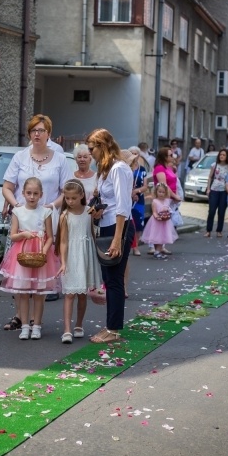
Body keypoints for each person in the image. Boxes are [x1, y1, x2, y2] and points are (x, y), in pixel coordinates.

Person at [0, 115, 71, 329]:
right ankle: (19, 316)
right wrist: (16, 205)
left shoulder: (59, 159)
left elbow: (66, 190)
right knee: (19, 267)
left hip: (47, 218)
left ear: (49, 134)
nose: (37, 134)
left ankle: (35, 319)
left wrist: (52, 206)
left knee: (41, 267)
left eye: (41, 130)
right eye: (33, 130)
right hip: (22, 220)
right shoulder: (20, 157)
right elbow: (7, 186)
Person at [86, 128, 134, 344]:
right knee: (109, 279)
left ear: (102, 146)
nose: (90, 154)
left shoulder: (119, 169)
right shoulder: (105, 170)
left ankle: (113, 329)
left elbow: (123, 205)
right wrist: (98, 210)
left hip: (118, 227)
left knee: (114, 280)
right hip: (108, 224)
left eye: (91, 149)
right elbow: (111, 203)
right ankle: (110, 326)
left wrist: (117, 239)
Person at [0, 177, 59, 340]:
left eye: (35, 194)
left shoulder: (46, 212)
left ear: (41, 195)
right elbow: (13, 235)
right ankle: (25, 325)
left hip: (40, 253)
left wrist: (44, 251)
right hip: (22, 254)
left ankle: (36, 325)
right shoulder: (18, 212)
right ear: (23, 193)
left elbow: (50, 237)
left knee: (39, 294)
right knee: (23, 293)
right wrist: (23, 234)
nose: (32, 196)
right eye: (29, 193)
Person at [56, 179, 100, 344]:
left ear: (82, 195)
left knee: (82, 294)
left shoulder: (90, 212)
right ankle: (67, 329)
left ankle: (79, 324)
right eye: (67, 198)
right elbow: (63, 241)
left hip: (86, 255)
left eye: (73, 198)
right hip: (71, 257)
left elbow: (93, 234)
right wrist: (63, 262)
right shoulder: (64, 216)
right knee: (69, 294)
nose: (70, 201)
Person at [141, 183, 178, 259]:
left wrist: (168, 213)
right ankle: (157, 251)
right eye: (159, 192)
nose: (161, 194)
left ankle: (158, 251)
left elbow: (170, 208)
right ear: (156, 192)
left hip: (165, 222)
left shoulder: (167, 201)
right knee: (156, 236)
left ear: (165, 193)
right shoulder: (155, 201)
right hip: (156, 222)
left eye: (163, 192)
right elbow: (154, 211)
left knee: (162, 236)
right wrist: (157, 217)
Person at [205, 149, 228, 238]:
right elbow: (210, 177)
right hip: (214, 189)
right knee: (212, 211)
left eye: (224, 155)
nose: (222, 156)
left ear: (227, 156)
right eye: (221, 154)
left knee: (221, 211)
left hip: (224, 191)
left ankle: (219, 230)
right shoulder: (214, 165)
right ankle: (208, 230)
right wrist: (208, 188)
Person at [127, 148, 148, 256]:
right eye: (132, 154)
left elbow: (145, 186)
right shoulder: (125, 168)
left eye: (136, 154)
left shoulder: (142, 169)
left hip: (139, 199)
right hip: (127, 198)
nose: (134, 156)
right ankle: (130, 246)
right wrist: (130, 193)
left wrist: (136, 191)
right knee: (129, 223)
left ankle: (136, 245)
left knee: (138, 224)